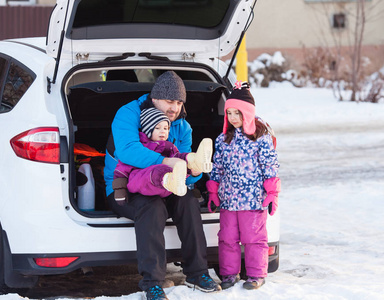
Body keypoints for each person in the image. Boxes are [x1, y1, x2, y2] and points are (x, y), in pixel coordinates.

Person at [103, 71, 221, 300]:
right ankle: (153, 282)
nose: (174, 108)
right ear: (155, 98)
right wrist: (166, 161)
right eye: (170, 101)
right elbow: (127, 151)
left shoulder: (182, 127)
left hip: (168, 185)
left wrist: (193, 171)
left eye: (179, 102)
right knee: (152, 207)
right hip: (127, 185)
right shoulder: (128, 114)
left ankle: (197, 273)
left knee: (188, 201)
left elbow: (185, 175)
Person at [206, 81, 281, 290]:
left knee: (254, 239)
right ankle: (229, 274)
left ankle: (256, 275)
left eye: (237, 113)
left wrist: (272, 192)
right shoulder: (223, 139)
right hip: (229, 199)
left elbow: (270, 165)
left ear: (247, 113)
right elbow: (217, 167)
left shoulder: (261, 138)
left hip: (253, 199)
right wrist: (213, 191)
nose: (232, 118)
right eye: (229, 113)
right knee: (227, 239)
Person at [112, 107, 213, 201]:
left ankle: (195, 160)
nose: (162, 132)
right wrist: (120, 191)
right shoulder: (139, 147)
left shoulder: (169, 146)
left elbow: (176, 160)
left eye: (166, 128)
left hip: (165, 189)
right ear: (148, 130)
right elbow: (121, 170)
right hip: (141, 182)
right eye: (157, 128)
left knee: (177, 159)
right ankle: (169, 180)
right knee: (158, 169)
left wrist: (191, 169)